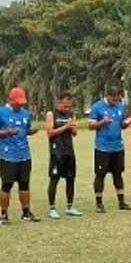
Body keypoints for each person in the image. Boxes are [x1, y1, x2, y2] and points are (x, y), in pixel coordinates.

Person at [0, 87, 41, 224]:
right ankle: (4, 214)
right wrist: (5, 133)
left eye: (22, 103)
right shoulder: (0, 113)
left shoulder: (25, 113)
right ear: (10, 100)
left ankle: (26, 212)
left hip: (24, 155)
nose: (20, 105)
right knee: (7, 184)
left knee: (24, 184)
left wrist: (32, 131)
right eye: (17, 102)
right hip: (8, 156)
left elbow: (25, 130)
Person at [88, 86, 131, 213]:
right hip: (102, 147)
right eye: (113, 99)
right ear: (107, 96)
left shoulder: (120, 106)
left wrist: (127, 123)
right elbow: (91, 125)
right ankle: (99, 203)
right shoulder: (97, 107)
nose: (115, 101)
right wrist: (102, 122)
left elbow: (122, 124)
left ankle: (121, 202)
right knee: (100, 175)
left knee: (118, 174)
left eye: (117, 99)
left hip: (118, 146)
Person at [45, 91, 82, 219]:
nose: (67, 109)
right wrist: (66, 126)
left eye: (69, 106)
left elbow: (75, 133)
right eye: (65, 106)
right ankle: (52, 208)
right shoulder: (51, 114)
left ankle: (70, 207)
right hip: (56, 152)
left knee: (71, 179)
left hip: (69, 151)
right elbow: (50, 133)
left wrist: (72, 128)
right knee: (54, 179)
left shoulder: (71, 114)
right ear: (59, 102)